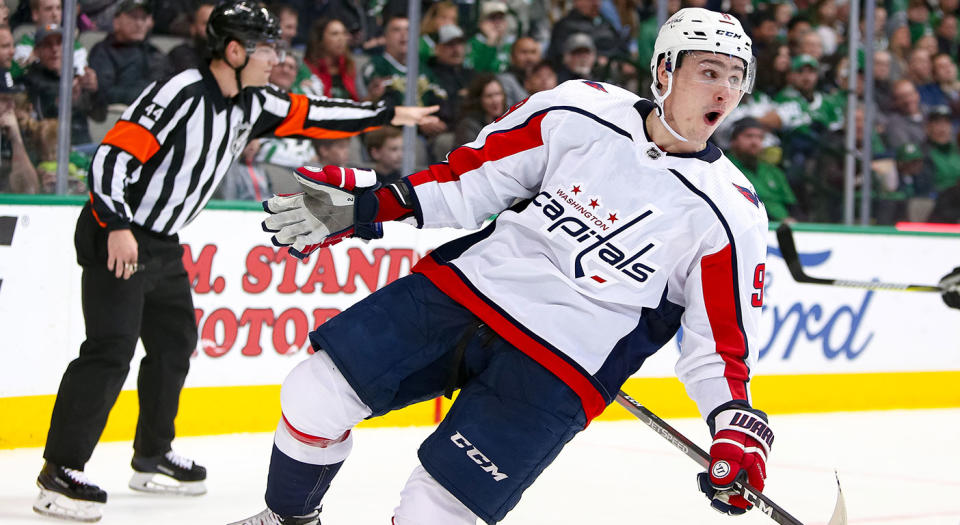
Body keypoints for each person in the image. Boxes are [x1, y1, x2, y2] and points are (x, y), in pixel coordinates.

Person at [232, 8, 774, 525]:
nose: (724, 91)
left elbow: (720, 346)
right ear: (664, 70)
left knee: (433, 509)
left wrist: (734, 426)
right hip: (471, 290)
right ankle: (289, 515)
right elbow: (475, 178)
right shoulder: (579, 110)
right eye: (708, 71)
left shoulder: (730, 212)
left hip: (559, 363)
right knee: (315, 391)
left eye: (736, 77)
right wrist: (373, 207)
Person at [32, 1, 438, 521]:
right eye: (267, 47)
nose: (275, 57)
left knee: (175, 343)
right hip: (121, 231)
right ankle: (59, 471)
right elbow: (113, 155)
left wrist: (386, 114)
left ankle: (152, 455)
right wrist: (116, 225)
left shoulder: (252, 102)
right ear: (234, 50)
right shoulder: (180, 92)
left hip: (162, 242)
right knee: (109, 351)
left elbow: (311, 114)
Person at [88, 0, 173, 106]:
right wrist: (144, 93)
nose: (139, 24)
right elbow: (104, 93)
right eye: (133, 17)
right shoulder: (104, 51)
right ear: (116, 21)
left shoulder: (154, 52)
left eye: (143, 18)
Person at [0, 66, 39, 193]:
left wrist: (16, 140)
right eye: (4, 100)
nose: (11, 106)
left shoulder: (14, 131)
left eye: (12, 100)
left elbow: (30, 189)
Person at [167, 0, 215, 72]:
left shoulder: (228, 54)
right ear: (193, 28)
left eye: (215, 23)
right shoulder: (181, 54)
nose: (211, 28)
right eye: (205, 23)